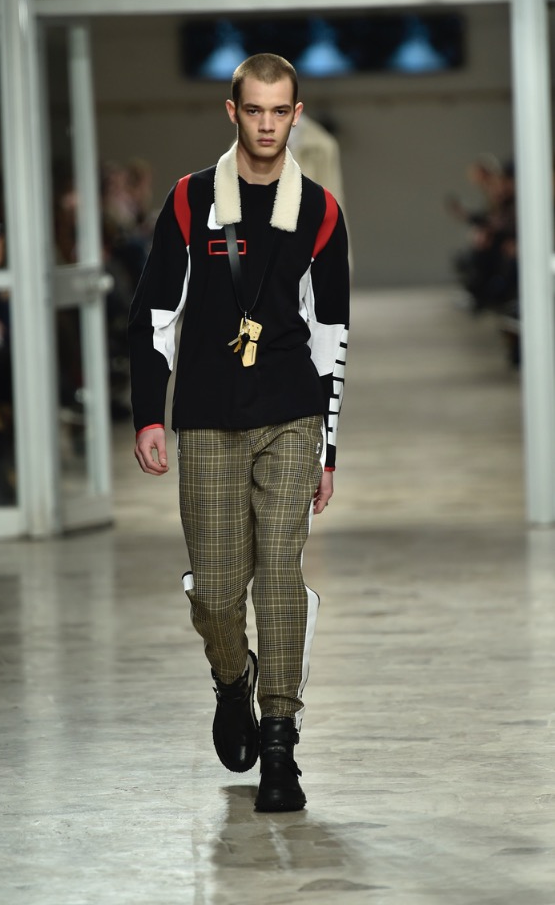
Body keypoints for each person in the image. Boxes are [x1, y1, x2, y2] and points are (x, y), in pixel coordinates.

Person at [129, 53, 350, 813]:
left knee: (280, 573)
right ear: (232, 111)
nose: (266, 124)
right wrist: (148, 413)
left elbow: (331, 334)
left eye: (279, 111)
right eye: (253, 110)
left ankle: (281, 743)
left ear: (296, 114)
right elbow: (155, 312)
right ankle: (233, 679)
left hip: (290, 410)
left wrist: (327, 447)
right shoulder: (191, 200)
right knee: (218, 591)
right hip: (206, 415)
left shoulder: (319, 211)